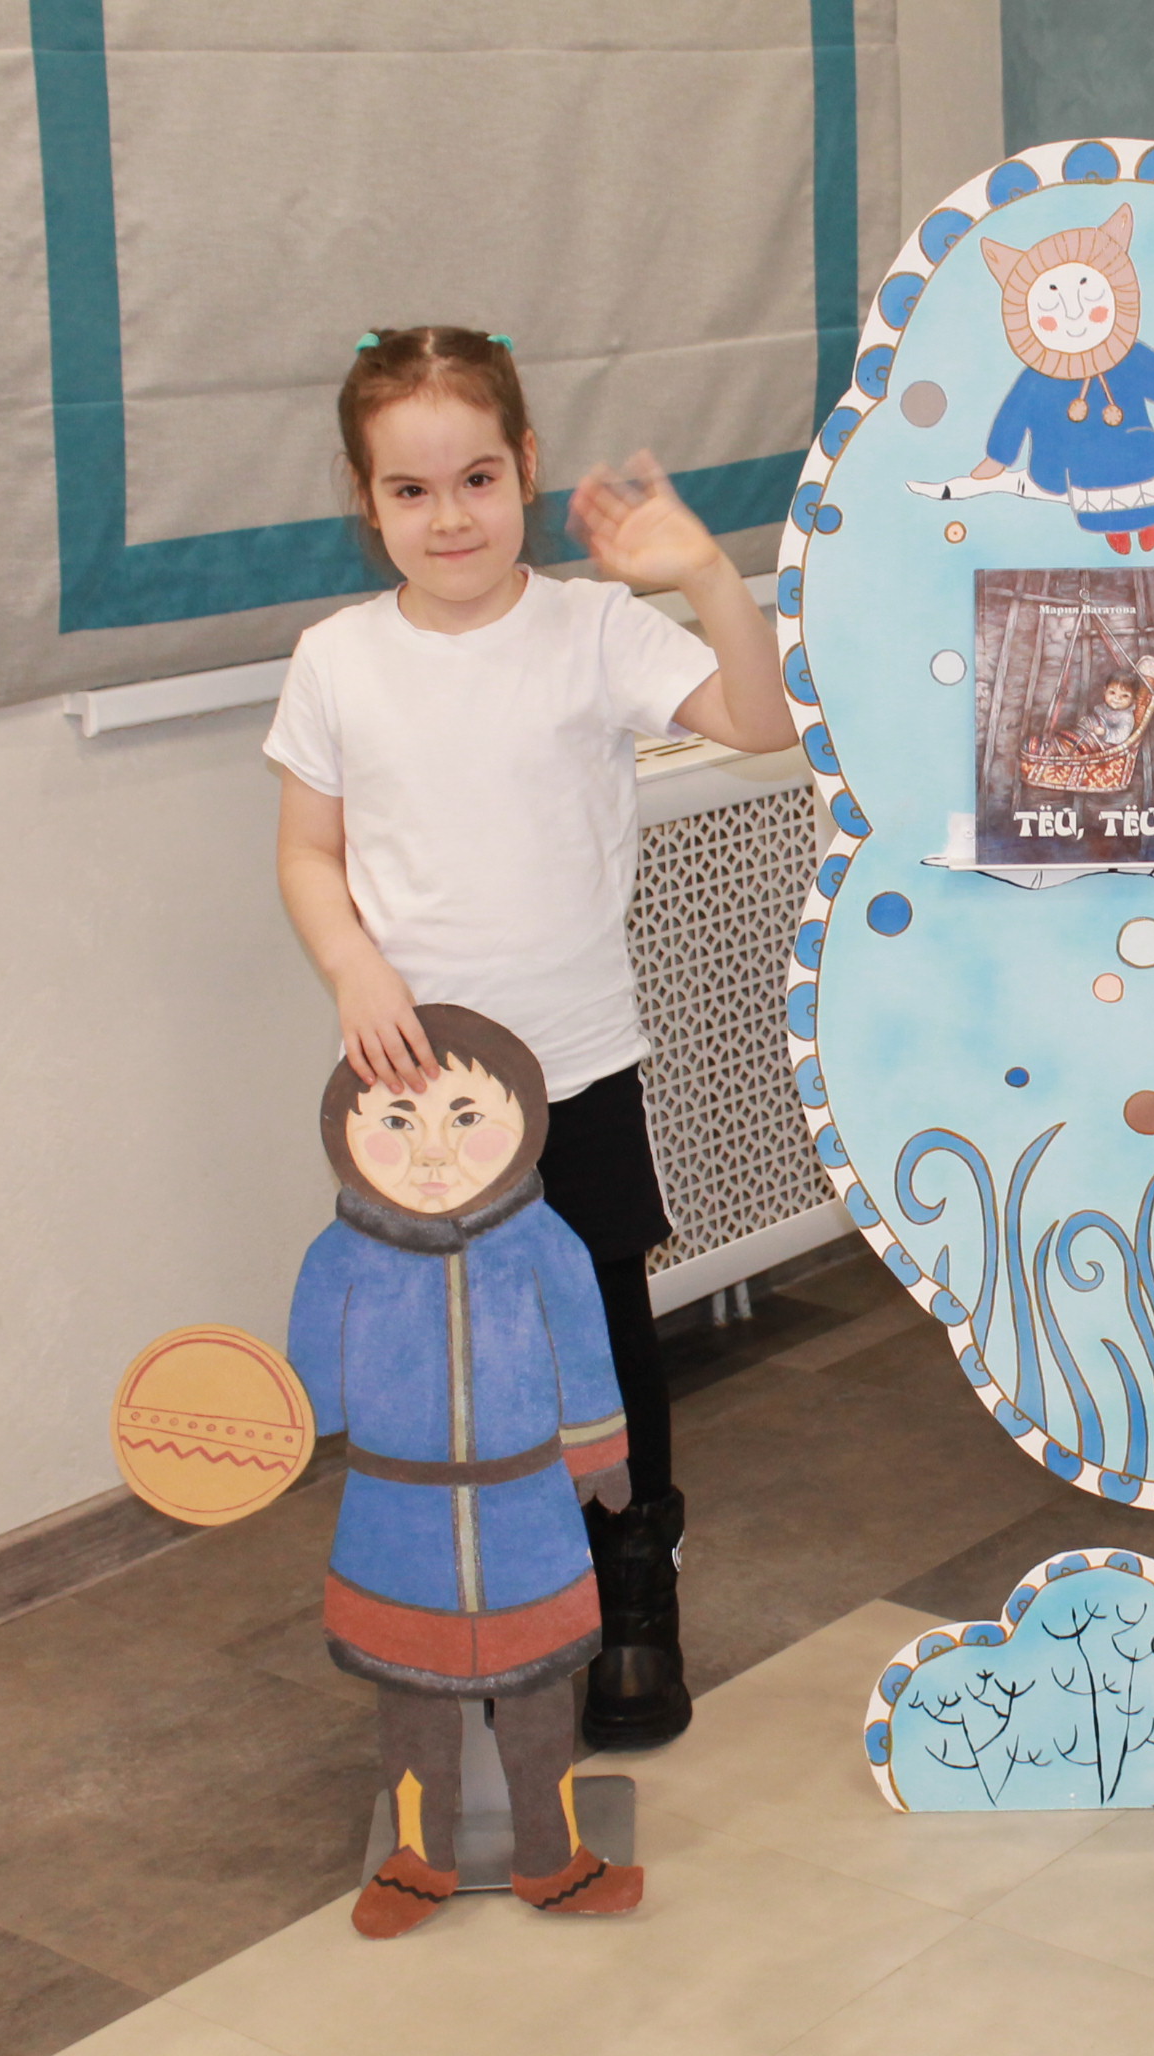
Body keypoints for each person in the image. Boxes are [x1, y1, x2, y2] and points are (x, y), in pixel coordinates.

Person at [267, 326, 798, 1750]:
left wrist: (705, 575)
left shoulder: (593, 629)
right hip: (415, 1090)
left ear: (527, 469)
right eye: (411, 490)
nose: (449, 518)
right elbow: (309, 851)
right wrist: (351, 967)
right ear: (365, 499)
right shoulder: (336, 661)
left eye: (477, 480)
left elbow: (762, 720)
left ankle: (634, 1597)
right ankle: (480, 1609)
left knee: (601, 1336)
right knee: (442, 1361)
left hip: (579, 1070)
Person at [290, 1008, 644, 1935]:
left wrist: (598, 1451)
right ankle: (420, 1857)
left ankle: (551, 1856)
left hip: (525, 1512)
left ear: (521, 1121)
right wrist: (267, 1435)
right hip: (392, 1520)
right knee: (409, 1694)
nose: (433, 1151)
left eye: (465, 1118)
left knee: (537, 1693)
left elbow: (584, 1355)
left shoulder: (546, 1244)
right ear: (348, 1131)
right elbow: (308, 1396)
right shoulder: (336, 1259)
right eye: (398, 1122)